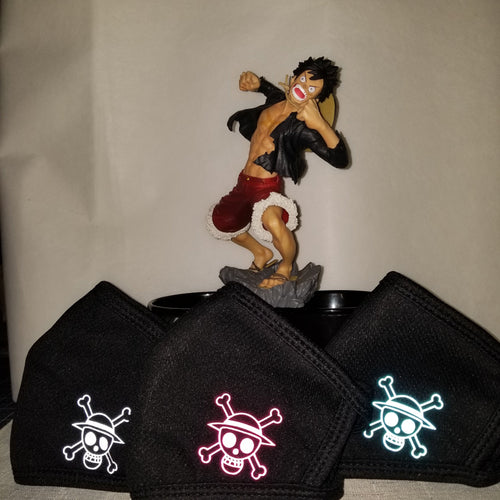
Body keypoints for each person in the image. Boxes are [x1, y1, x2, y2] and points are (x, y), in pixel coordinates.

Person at [207, 57, 349, 289]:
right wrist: (258, 84)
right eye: (302, 80)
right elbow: (271, 91)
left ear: (315, 99)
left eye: (311, 88)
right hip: (243, 181)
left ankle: (285, 267)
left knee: (272, 221)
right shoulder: (277, 100)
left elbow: (340, 159)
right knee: (223, 222)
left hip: (266, 186)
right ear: (294, 78)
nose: (303, 87)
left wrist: (321, 125)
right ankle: (261, 253)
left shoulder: (303, 128)